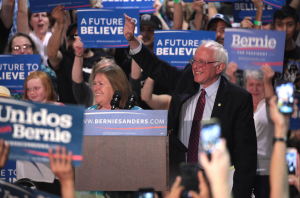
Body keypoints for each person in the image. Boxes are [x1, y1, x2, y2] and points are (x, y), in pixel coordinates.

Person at [123, 14, 257, 198]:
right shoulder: (187, 80)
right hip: (179, 176)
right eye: (194, 60)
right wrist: (132, 41)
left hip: (216, 181)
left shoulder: (238, 99)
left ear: (219, 68)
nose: (196, 66)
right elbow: (156, 67)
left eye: (203, 62)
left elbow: (246, 155)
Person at [243, 66, 275, 198]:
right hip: (242, 169)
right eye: (251, 84)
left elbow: (272, 104)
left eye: (259, 85)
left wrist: (268, 82)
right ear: (245, 84)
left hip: (265, 171)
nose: (254, 89)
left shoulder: (270, 105)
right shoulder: (241, 105)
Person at [4, 32, 57, 100]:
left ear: (33, 50)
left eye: (26, 47)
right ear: (11, 52)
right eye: (17, 48)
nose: (22, 51)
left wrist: (39, 76)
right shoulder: (3, 74)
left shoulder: (45, 71)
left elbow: (53, 95)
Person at [72, 36, 117, 108]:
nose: (105, 76)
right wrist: (78, 55)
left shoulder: (122, 96)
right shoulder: (89, 95)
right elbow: (77, 81)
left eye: (109, 71)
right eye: (100, 72)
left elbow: (135, 79)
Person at [16, 0, 56, 66]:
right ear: (30, 22)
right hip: (31, 74)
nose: (40, 18)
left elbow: (62, 20)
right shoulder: (27, 36)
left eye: (43, 15)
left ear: (50, 21)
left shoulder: (55, 34)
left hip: (53, 75)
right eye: (36, 16)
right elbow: (22, 11)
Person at [273, 6, 300, 88]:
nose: (284, 29)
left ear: (297, 26)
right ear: (273, 26)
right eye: (280, 24)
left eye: (289, 24)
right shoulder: (269, 54)